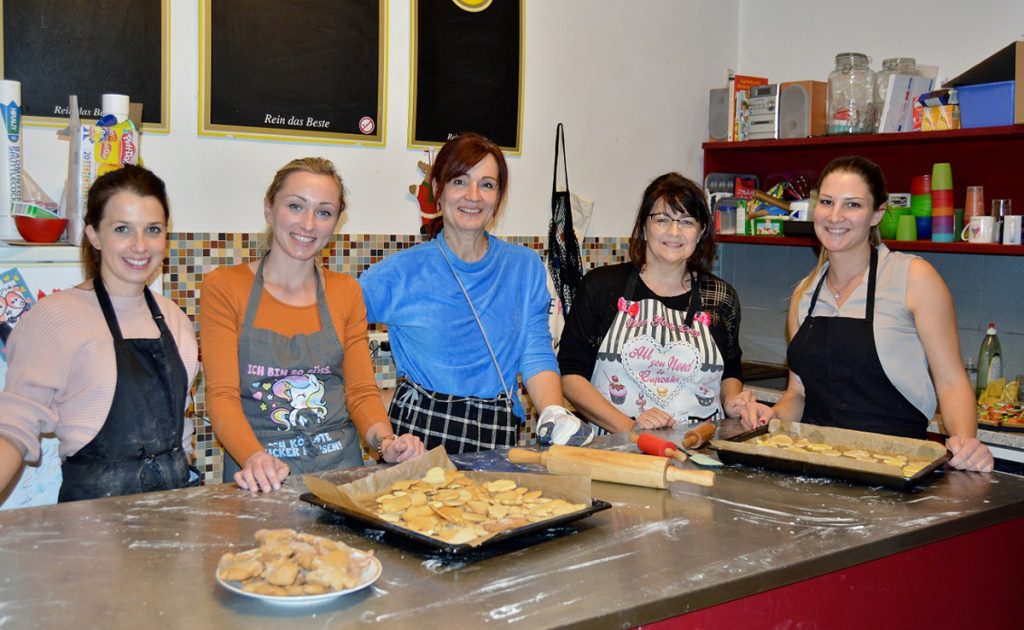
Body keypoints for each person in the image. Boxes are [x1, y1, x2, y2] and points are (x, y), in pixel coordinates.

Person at [200, 157, 424, 493]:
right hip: (260, 480)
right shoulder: (225, 287)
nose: (308, 224)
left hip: (340, 479)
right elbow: (221, 396)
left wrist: (386, 441)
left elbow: (360, 392)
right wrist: (254, 457)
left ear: (335, 221)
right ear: (269, 209)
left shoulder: (345, 292)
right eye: (295, 206)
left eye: (323, 212)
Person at [358, 132, 592, 453]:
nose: (473, 196)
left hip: (495, 430)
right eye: (459, 181)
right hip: (416, 438)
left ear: (499, 196)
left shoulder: (523, 267)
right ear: (437, 190)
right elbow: (336, 327)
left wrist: (552, 411)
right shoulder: (401, 272)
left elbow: (535, 350)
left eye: (487, 184)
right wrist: (370, 397)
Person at [773, 156, 993, 472]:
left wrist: (965, 443)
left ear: (877, 214)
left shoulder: (913, 278)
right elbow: (797, 392)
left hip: (897, 468)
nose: (835, 216)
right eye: (827, 202)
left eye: (852, 205)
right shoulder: (804, 294)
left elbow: (951, 381)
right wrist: (771, 418)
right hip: (813, 466)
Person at [0, 165, 200, 502]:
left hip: (172, 516)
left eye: (153, 229)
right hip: (91, 524)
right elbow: (13, 428)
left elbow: (179, 437)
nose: (140, 246)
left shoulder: (174, 319)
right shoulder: (55, 317)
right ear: (94, 235)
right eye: (122, 229)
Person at [558, 172, 772, 434]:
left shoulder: (720, 296)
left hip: (700, 449)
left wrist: (732, 402)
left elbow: (730, 372)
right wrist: (631, 428)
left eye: (686, 221)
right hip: (618, 450)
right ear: (644, 227)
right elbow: (570, 376)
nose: (674, 231)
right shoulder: (602, 287)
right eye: (662, 219)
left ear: (701, 231)